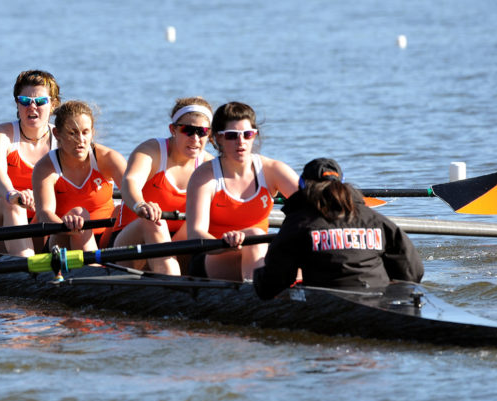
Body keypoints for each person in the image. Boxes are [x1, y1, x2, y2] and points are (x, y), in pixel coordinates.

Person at [254, 158, 424, 298]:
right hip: (378, 295)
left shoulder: (299, 222)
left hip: (329, 302)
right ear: (343, 185)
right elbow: (413, 271)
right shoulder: (375, 219)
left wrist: (255, 276)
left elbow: (271, 285)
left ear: (303, 186)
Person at [185, 102, 300, 282]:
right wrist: (226, 244)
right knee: (254, 236)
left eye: (247, 135)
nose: (241, 142)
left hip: (258, 251)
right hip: (214, 256)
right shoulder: (204, 177)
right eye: (232, 136)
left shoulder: (273, 170)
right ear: (218, 139)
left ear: (255, 135)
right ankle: (257, 298)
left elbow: (313, 208)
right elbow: (195, 234)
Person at [112, 97, 215, 274]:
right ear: (173, 129)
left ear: (210, 134)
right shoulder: (152, 151)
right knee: (153, 223)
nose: (195, 138)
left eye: (202, 131)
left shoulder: (210, 165)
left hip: (177, 245)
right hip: (130, 246)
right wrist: (140, 205)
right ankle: (173, 286)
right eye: (187, 130)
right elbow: (130, 182)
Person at [0, 69, 61, 256]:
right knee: (13, 203)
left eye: (40, 102)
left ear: (53, 104)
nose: (32, 107)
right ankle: (29, 270)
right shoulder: (0, 134)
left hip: (40, 228)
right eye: (24, 101)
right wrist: (13, 193)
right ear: (17, 103)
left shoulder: (63, 139)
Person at [33, 100, 127, 253]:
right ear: (57, 134)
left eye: (85, 132)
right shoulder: (45, 167)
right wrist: (69, 227)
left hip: (105, 237)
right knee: (79, 214)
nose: (81, 140)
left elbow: (136, 196)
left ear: (92, 133)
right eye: (72, 133)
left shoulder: (109, 158)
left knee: (122, 210)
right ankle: (94, 271)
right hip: (63, 236)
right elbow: (45, 213)